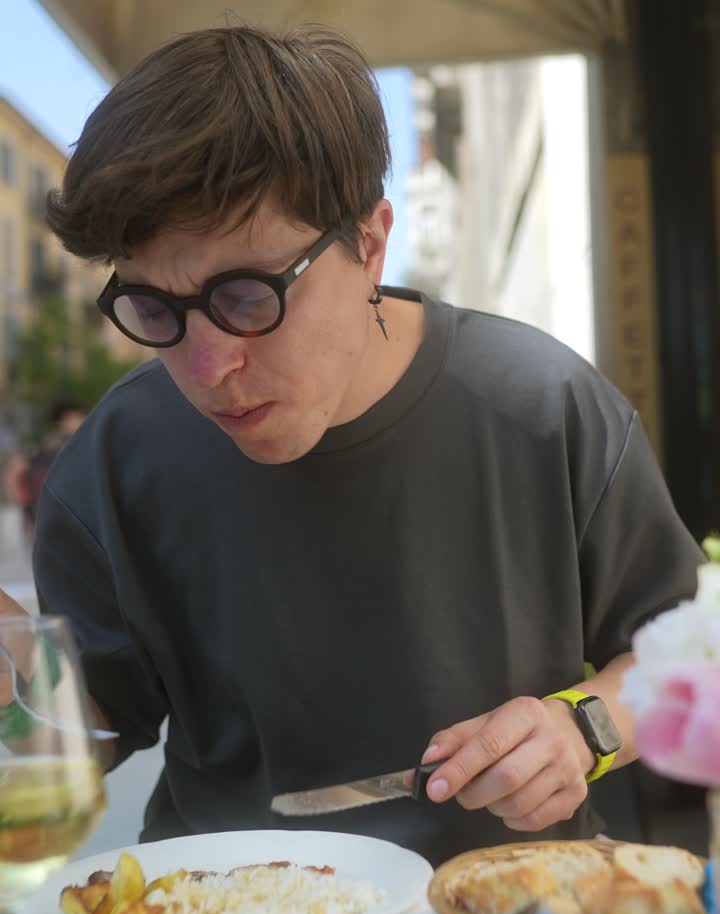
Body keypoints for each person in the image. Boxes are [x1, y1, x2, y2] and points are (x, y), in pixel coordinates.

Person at [0, 25, 703, 866]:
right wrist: (15, 683)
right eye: (155, 309)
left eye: (247, 296)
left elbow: (691, 656)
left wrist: (582, 727)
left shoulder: (544, 409)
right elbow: (79, 732)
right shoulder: (113, 462)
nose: (210, 366)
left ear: (369, 244)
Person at [4, 400, 87, 537]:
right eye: (74, 418)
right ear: (62, 421)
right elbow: (17, 472)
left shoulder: (78, 444)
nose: (80, 421)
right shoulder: (50, 449)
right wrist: (23, 504)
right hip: (54, 515)